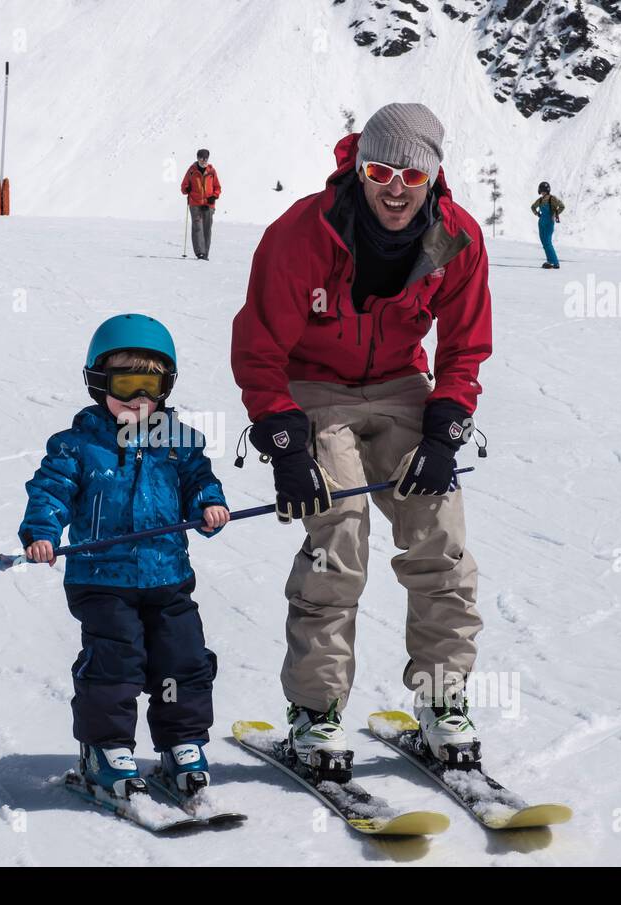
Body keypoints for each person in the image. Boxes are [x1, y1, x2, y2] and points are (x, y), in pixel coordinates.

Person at [231, 103, 492, 779]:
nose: (395, 186)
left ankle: (443, 699)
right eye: (380, 169)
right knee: (339, 533)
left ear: (434, 173)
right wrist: (286, 442)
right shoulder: (304, 234)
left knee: (442, 536)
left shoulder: (451, 239)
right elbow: (260, 349)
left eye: (412, 171)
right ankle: (316, 713)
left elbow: (464, 346)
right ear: (359, 167)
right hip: (315, 387)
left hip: (402, 383)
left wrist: (447, 426)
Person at [19, 313, 230, 799]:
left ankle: (182, 744)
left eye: (150, 385)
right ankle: (106, 749)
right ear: (99, 383)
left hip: (167, 576)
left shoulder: (179, 442)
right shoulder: (76, 446)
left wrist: (209, 505)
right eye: (126, 383)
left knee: (184, 659)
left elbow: (201, 481)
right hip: (102, 580)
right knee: (116, 662)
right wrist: (42, 532)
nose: (139, 398)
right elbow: (50, 491)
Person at [181, 149, 221, 260]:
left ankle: (206, 253)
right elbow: (183, 187)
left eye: (205, 158)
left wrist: (214, 196)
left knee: (207, 229)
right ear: (197, 158)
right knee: (197, 227)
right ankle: (200, 253)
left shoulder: (212, 171)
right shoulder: (192, 171)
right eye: (201, 158)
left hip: (208, 204)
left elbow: (217, 187)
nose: (203, 160)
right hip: (195, 203)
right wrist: (186, 188)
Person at [531, 181, 565, 269]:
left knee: (548, 243)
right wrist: (537, 214)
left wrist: (555, 214)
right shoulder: (540, 200)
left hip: (549, 222)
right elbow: (533, 207)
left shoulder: (552, 198)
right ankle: (550, 261)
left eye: (542, 190)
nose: (541, 192)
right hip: (541, 223)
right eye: (541, 190)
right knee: (544, 243)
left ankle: (555, 262)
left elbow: (562, 206)